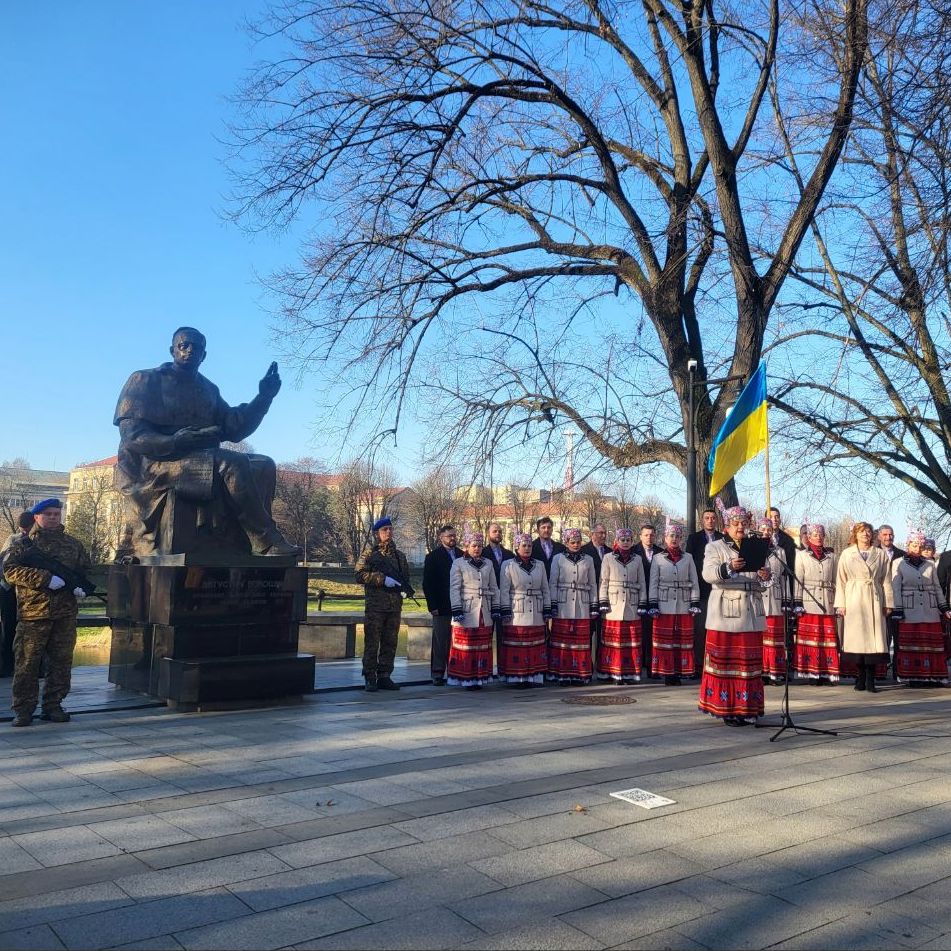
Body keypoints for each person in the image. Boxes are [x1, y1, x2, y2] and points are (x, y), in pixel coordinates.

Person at [113, 326, 300, 557]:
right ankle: (267, 541)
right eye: (184, 345)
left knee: (264, 465)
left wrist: (263, 398)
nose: (190, 350)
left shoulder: (208, 389)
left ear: (204, 355)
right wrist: (174, 441)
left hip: (198, 459)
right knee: (232, 463)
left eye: (197, 347)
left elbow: (233, 426)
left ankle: (245, 546)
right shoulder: (144, 380)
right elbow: (132, 435)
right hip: (156, 464)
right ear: (172, 350)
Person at [3, 499, 90, 727]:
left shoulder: (74, 545)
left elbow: (84, 570)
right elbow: (9, 571)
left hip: (65, 614)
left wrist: (80, 587)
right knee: (27, 664)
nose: (53, 517)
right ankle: (23, 710)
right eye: (48, 514)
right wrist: (44, 579)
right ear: (37, 517)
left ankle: (53, 705)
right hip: (33, 614)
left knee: (61, 663)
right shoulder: (23, 544)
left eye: (56, 513)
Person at [699, 505, 770, 726]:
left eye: (744, 523)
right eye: (736, 523)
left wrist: (765, 575)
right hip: (726, 613)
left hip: (751, 610)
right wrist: (728, 567)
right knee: (727, 664)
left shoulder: (756, 546)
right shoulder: (715, 546)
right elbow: (707, 574)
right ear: (727, 525)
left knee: (749, 665)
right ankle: (727, 707)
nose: (740, 527)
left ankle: (747, 707)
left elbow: (766, 581)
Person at [834, 521, 892, 693]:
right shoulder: (847, 554)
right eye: (861, 531)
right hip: (854, 598)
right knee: (857, 641)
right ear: (855, 534)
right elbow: (841, 580)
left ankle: (871, 679)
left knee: (874, 641)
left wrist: (888, 603)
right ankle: (860, 677)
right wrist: (841, 604)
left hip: (874, 598)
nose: (865, 534)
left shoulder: (880, 554)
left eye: (868, 531)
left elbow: (886, 580)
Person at [355, 516, 410, 692]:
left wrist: (404, 589)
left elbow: (405, 578)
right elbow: (359, 575)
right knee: (372, 642)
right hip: (376, 607)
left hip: (394, 607)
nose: (388, 532)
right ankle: (370, 676)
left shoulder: (400, 556)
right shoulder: (369, 554)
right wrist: (382, 579)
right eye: (384, 529)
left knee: (390, 642)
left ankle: (385, 675)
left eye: (390, 529)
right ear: (377, 533)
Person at [891, 531, 951, 687]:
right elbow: (896, 588)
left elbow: (937, 586)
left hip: (930, 608)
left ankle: (934, 676)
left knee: (932, 644)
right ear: (908, 545)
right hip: (909, 608)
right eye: (914, 545)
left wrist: (943, 606)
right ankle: (914, 676)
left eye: (920, 546)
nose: (917, 549)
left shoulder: (930, 564)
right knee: (912, 643)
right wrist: (898, 608)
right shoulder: (899, 563)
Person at [647, 523, 700, 686]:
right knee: (666, 640)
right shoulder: (658, 558)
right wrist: (653, 603)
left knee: (681, 640)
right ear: (665, 538)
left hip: (683, 604)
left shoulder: (688, 557)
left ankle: (680, 671)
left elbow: (694, 580)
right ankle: (667, 672)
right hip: (664, 604)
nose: (674, 539)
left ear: (681, 539)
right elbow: (653, 583)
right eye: (671, 536)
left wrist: (695, 601)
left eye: (677, 536)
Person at [448, 531, 500, 689]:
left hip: (484, 609)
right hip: (467, 609)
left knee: (482, 645)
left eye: (479, 546)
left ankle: (480, 677)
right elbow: (455, 588)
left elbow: (494, 587)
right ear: (466, 546)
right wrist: (457, 609)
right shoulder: (458, 563)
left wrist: (496, 607)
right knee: (467, 645)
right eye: (474, 546)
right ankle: (466, 678)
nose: (477, 549)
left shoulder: (488, 563)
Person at [498, 533, 550, 686]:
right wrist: (505, 609)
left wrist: (547, 608)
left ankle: (534, 675)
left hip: (536, 609)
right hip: (517, 610)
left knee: (535, 644)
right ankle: (517, 677)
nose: (527, 548)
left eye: (529, 546)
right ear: (517, 547)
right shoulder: (508, 564)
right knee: (518, 645)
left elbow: (545, 588)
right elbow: (504, 590)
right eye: (524, 546)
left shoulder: (539, 564)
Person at [548, 528, 598, 684]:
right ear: (566, 542)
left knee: (580, 641)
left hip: (582, 603)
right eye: (572, 542)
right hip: (563, 604)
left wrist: (594, 605)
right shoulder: (558, 559)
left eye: (578, 542)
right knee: (563, 641)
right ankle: (562, 673)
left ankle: (580, 673)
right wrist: (553, 604)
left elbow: (593, 583)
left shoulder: (588, 559)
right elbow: (552, 583)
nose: (576, 545)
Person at [792, 523, 841, 684]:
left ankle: (826, 672)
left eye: (821, 534)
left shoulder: (832, 556)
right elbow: (798, 580)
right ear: (809, 537)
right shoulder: (802, 555)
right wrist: (797, 601)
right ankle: (812, 672)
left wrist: (838, 601)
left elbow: (836, 580)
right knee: (811, 639)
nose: (818, 537)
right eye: (815, 535)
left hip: (827, 600)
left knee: (826, 638)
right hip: (809, 601)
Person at [597, 528, 647, 683]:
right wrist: (603, 600)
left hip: (631, 604)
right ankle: (612, 672)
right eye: (622, 540)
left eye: (628, 540)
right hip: (614, 605)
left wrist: (642, 602)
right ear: (617, 541)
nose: (625, 543)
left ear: (632, 542)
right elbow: (603, 581)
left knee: (630, 642)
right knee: (613, 643)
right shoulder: (608, 557)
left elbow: (642, 582)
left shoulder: (637, 559)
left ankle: (629, 673)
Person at [685, 509, 723, 676]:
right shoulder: (694, 539)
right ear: (702, 520)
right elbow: (689, 563)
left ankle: (716, 662)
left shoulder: (723, 538)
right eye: (707, 518)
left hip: (719, 589)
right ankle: (699, 664)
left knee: (717, 630)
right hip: (701, 589)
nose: (710, 520)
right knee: (700, 629)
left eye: (713, 518)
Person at [422, 525, 459, 686]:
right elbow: (428, 583)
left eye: (454, 535)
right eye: (449, 536)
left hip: (458, 606)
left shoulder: (462, 555)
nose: (452, 538)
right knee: (440, 641)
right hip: (441, 605)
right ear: (441, 538)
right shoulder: (433, 557)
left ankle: (455, 672)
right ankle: (437, 673)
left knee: (456, 641)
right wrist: (432, 606)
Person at [0, 511, 34, 678]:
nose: (25, 532)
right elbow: (4, 565)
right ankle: (7, 666)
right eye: (23, 529)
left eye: (27, 529)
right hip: (9, 590)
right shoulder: (14, 540)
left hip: (28, 592)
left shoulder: (37, 540)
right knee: (9, 627)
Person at [758, 517, 790, 685]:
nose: (766, 532)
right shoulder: (752, 548)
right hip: (758, 598)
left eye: (769, 530)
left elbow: (784, 577)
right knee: (760, 638)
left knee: (775, 639)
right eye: (762, 529)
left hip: (775, 598)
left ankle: (775, 672)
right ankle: (761, 671)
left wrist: (787, 599)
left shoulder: (780, 551)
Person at [482, 522, 514, 674]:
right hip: (487, 600)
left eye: (500, 531)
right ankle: (485, 670)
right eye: (495, 531)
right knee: (486, 636)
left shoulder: (509, 554)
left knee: (504, 636)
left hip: (505, 600)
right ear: (488, 533)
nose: (498, 534)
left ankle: (503, 669)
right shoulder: (482, 553)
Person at [877, 524, 905, 681]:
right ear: (879, 536)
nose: (888, 537)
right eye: (885, 534)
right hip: (880, 601)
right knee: (883, 637)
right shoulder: (873, 553)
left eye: (891, 534)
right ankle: (880, 672)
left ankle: (897, 670)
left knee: (899, 637)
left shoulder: (902, 555)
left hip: (898, 601)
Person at [633, 525, 660, 677]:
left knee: (653, 633)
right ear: (640, 536)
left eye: (651, 535)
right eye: (646, 535)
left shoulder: (660, 552)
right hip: (637, 598)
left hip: (655, 598)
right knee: (638, 633)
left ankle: (651, 666)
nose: (649, 538)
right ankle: (638, 665)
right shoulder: (633, 552)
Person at [581, 524, 609, 659]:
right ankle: (588, 662)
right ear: (592, 534)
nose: (603, 536)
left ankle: (601, 661)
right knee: (588, 632)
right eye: (600, 533)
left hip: (606, 598)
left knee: (604, 632)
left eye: (604, 533)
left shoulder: (610, 552)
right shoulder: (583, 551)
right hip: (589, 597)